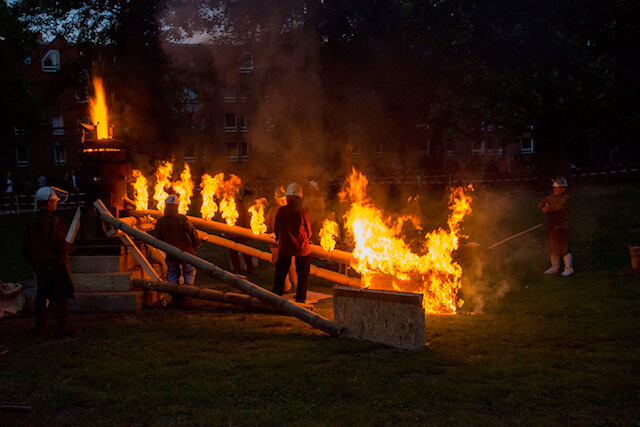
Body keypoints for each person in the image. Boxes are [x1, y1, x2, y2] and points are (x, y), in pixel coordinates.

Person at [22, 186, 76, 336]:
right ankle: (64, 329)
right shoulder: (54, 222)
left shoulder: (31, 223)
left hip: (40, 267)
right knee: (61, 296)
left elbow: (25, 246)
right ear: (49, 202)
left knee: (41, 297)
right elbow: (59, 243)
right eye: (54, 201)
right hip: (56, 266)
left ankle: (41, 328)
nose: (56, 203)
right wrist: (71, 248)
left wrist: (33, 262)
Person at [155, 194, 201, 303]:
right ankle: (187, 295)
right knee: (189, 272)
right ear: (177, 206)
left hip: (171, 254)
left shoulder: (161, 221)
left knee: (172, 273)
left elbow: (158, 238)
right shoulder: (182, 219)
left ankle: (174, 295)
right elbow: (192, 232)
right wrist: (196, 243)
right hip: (186, 253)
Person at [273, 182, 312, 303]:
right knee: (302, 275)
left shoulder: (281, 211)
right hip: (301, 247)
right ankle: (300, 298)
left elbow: (276, 228)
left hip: (284, 247)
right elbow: (308, 230)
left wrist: (278, 238)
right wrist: (307, 238)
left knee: (280, 274)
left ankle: (275, 297)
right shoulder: (302, 211)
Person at [538, 176, 573, 276]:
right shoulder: (552, 198)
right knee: (552, 246)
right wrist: (542, 205)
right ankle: (555, 267)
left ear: (563, 189)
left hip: (562, 225)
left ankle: (569, 268)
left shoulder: (565, 198)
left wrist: (548, 208)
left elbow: (558, 206)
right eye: (554, 188)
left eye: (557, 188)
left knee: (564, 247)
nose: (555, 190)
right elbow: (543, 203)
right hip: (552, 225)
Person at [265, 186, 297, 293]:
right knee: (279, 266)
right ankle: (286, 289)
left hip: (287, 242)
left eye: (283, 198)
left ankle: (299, 288)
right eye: (279, 199)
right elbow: (267, 224)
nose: (281, 201)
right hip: (274, 243)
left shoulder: (291, 211)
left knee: (291, 267)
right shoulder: (273, 211)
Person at [228, 188, 257, 276]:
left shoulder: (241, 205)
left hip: (241, 232)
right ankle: (237, 270)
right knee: (233, 253)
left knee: (246, 251)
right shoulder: (227, 205)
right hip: (231, 233)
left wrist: (247, 230)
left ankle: (250, 269)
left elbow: (245, 217)